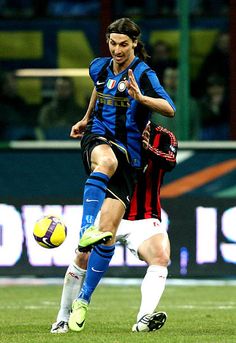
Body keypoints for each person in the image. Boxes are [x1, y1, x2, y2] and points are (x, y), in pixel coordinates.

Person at [66, 17, 176, 333]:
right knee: (105, 164)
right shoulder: (99, 67)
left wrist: (140, 98)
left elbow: (169, 109)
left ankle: (85, 302)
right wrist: (87, 118)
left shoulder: (144, 75)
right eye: (113, 43)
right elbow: (97, 90)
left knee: (138, 252)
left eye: (123, 44)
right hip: (101, 139)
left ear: (135, 44)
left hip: (131, 175)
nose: (117, 50)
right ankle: (62, 315)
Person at [50, 122, 178, 334]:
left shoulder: (164, 136)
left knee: (161, 256)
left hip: (145, 216)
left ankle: (143, 319)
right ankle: (62, 318)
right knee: (83, 256)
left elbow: (170, 162)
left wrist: (148, 148)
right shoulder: (111, 130)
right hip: (112, 210)